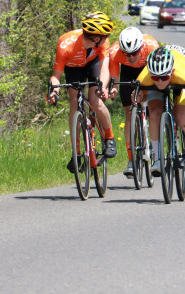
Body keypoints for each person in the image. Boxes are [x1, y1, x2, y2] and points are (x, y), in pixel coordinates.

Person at [47, 12, 118, 171]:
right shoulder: (65, 45)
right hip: (73, 67)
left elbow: (104, 67)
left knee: (95, 101)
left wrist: (103, 87)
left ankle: (110, 137)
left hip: (93, 63)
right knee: (74, 99)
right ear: (95, 37)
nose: (107, 38)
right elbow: (56, 76)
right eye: (104, 36)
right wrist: (54, 92)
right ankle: (76, 153)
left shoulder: (102, 43)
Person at [105, 27, 161, 178]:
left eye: (135, 53)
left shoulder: (151, 46)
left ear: (141, 47)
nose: (130, 57)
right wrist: (113, 89)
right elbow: (114, 78)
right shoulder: (115, 51)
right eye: (127, 54)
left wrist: (144, 90)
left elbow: (156, 72)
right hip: (127, 73)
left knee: (153, 109)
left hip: (148, 70)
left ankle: (157, 153)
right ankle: (131, 160)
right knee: (129, 115)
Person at [137, 46, 185, 174]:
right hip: (159, 72)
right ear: (151, 74)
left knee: (180, 118)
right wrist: (139, 97)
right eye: (156, 78)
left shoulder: (182, 74)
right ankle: (158, 158)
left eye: (164, 78)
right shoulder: (145, 77)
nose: (160, 82)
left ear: (171, 72)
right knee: (155, 113)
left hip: (184, 64)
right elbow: (140, 97)